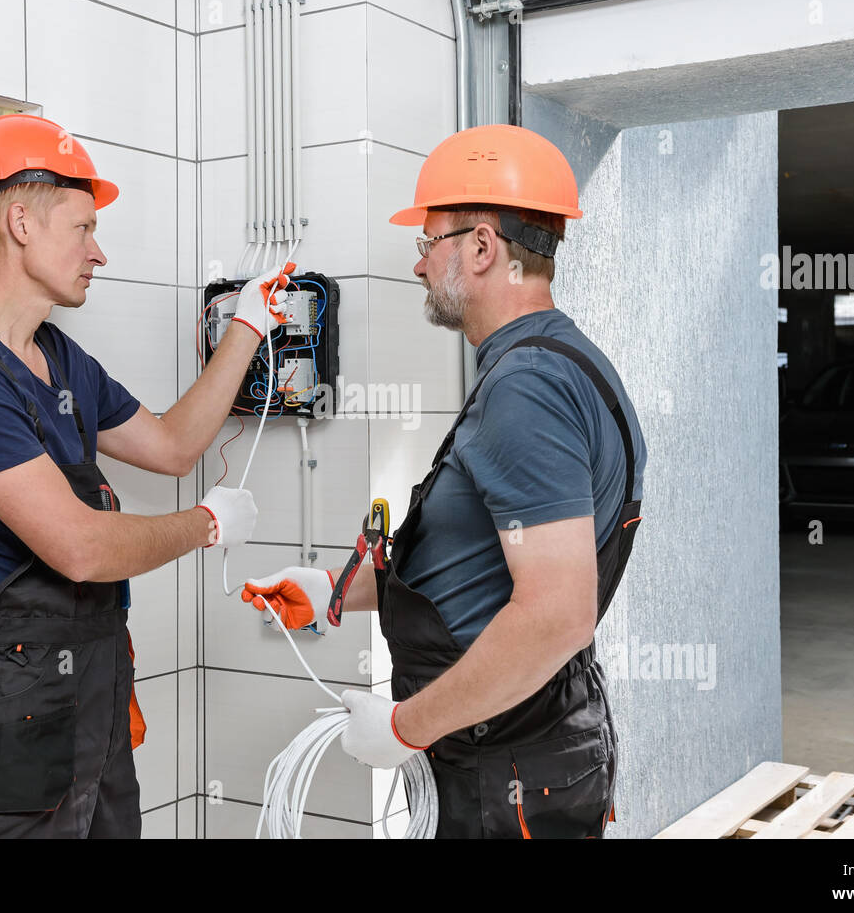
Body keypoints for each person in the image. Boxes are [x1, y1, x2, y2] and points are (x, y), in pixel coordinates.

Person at [241, 123, 647, 838]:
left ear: (483, 247)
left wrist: (404, 726)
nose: (420, 266)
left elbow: (556, 613)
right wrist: (333, 592)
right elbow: (479, 562)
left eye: (430, 245)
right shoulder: (557, 362)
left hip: (505, 767)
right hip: (524, 751)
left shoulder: (527, 388)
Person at [0, 112, 289, 837]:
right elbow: (80, 546)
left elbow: (171, 446)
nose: (98, 252)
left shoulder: (62, 358)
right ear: (19, 222)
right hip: (10, 699)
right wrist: (207, 525)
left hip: (96, 681)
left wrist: (247, 329)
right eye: (82, 228)